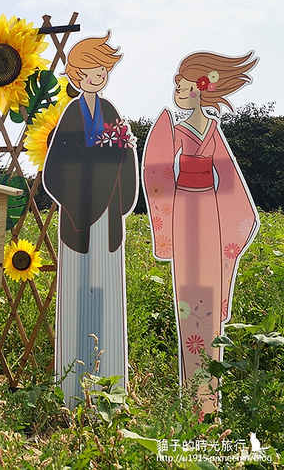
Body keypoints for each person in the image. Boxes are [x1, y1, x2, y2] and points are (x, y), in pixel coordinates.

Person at [142, 51, 258, 414]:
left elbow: (230, 185)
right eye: (177, 83)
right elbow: (156, 172)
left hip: (210, 217)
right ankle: (197, 400)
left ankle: (208, 400)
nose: (178, 89)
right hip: (189, 216)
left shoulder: (212, 131)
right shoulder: (172, 129)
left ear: (201, 88)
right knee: (191, 300)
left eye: (183, 84)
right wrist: (169, 221)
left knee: (205, 294)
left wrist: (236, 224)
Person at [43, 33, 139, 407]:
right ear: (75, 75)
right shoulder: (71, 115)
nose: (95, 76)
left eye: (101, 70)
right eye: (88, 71)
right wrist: (98, 162)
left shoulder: (113, 114)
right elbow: (57, 166)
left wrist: (115, 158)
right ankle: (71, 389)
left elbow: (125, 159)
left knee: (106, 290)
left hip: (108, 218)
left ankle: (110, 386)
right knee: (77, 290)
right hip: (76, 218)